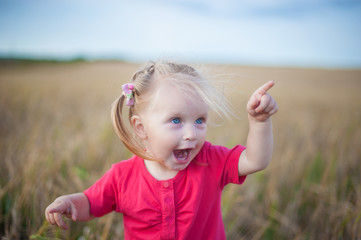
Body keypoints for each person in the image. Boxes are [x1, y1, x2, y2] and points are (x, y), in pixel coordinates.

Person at [45, 61, 278, 239]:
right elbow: (90, 203)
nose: (191, 133)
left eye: (199, 120)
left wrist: (259, 122)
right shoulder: (122, 177)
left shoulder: (211, 161)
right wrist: (69, 202)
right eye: (176, 120)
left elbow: (256, 160)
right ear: (141, 127)